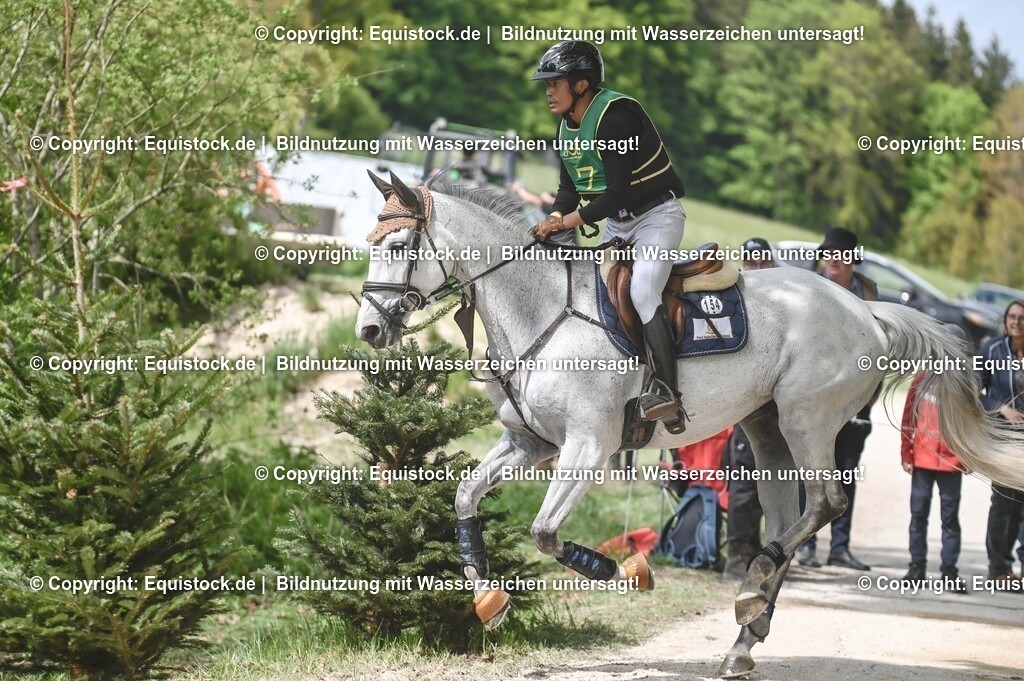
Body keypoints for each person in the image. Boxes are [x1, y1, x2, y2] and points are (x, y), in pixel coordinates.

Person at [529, 40, 688, 432]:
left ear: (581, 85)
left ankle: (668, 394)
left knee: (643, 292)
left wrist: (565, 224)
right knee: (591, 293)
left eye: (555, 82)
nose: (548, 91)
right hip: (618, 225)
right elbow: (568, 189)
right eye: (546, 83)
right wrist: (554, 215)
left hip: (655, 217)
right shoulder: (566, 126)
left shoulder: (616, 117)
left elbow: (617, 192)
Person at [796, 227, 878, 571]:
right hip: (817, 398)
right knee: (812, 471)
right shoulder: (811, 287)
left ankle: (840, 547)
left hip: (857, 399)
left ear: (852, 259)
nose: (833, 258)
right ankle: (805, 544)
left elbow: (880, 348)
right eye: (828, 251)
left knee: (846, 473)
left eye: (840, 253)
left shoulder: (869, 291)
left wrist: (868, 397)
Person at [899, 324, 968, 593]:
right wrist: (907, 452)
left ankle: (949, 572)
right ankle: (917, 567)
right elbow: (908, 418)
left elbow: (973, 423)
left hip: (952, 462)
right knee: (918, 515)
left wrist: (968, 456)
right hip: (922, 460)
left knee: (950, 519)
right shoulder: (922, 377)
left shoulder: (965, 382)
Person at [722, 238, 776, 579]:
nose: (755, 268)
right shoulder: (733, 298)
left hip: (776, 404)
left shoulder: (780, 303)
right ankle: (738, 554)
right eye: (750, 262)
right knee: (744, 482)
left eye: (761, 262)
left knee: (778, 479)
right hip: (745, 403)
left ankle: (771, 553)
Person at [979, 299, 1024, 588]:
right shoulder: (992, 349)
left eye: (1021, 317)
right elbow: (974, 390)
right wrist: (1001, 408)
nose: (1016, 322)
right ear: (1005, 320)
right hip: (1003, 437)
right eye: (1012, 316)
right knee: (1004, 502)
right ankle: (999, 567)